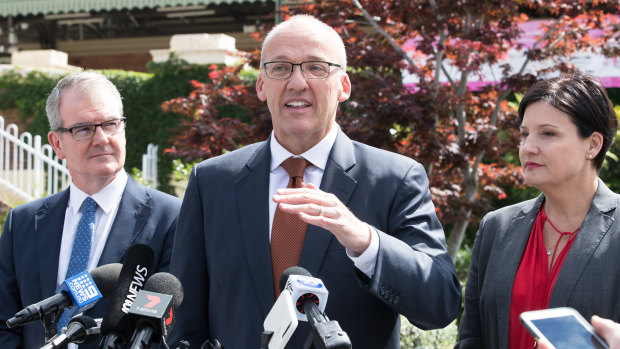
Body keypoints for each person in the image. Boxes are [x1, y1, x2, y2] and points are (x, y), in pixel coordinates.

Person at [168, 14, 461, 349]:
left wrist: (365, 242)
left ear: (344, 86)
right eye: (280, 67)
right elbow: (184, 321)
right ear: (261, 85)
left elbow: (440, 304)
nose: (297, 82)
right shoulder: (212, 182)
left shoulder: (395, 179)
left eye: (316, 68)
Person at [0, 71, 181, 349]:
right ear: (57, 144)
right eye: (83, 129)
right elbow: (5, 323)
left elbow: (172, 326)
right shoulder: (23, 223)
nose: (102, 139)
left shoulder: (171, 218)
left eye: (110, 124)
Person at [456, 72, 620, 348]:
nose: (527, 148)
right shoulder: (496, 227)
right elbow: (472, 337)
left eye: (548, 133)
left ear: (592, 144)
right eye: (524, 134)